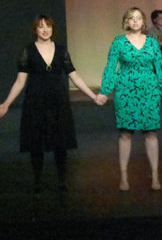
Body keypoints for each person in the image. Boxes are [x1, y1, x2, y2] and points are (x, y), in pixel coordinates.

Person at [0, 15, 98, 192]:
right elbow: (20, 81)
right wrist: (6, 103)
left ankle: (62, 181)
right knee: (36, 143)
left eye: (48, 26)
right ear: (35, 30)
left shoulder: (61, 50)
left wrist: (93, 95)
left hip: (58, 101)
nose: (45, 30)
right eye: (41, 27)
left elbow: (74, 76)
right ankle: (37, 181)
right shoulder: (28, 51)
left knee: (60, 142)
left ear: (53, 29)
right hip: (35, 101)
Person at [96, 7, 162, 191]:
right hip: (126, 90)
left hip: (149, 90)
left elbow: (160, 68)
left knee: (151, 133)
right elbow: (110, 68)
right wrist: (104, 91)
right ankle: (124, 176)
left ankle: (155, 176)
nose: (135, 21)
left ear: (143, 21)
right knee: (125, 133)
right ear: (126, 21)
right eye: (131, 18)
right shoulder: (119, 42)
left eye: (138, 18)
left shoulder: (152, 43)